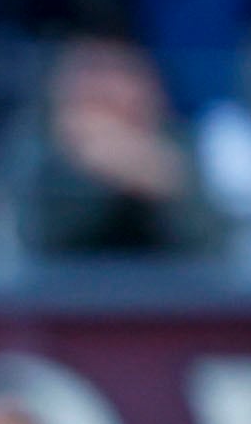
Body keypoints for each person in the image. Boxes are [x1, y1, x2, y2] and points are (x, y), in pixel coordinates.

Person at [16, 36, 226, 263]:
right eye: (90, 73)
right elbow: (37, 238)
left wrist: (153, 172)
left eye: (117, 73)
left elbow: (217, 244)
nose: (102, 90)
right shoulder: (33, 148)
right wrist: (98, 166)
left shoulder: (187, 143)